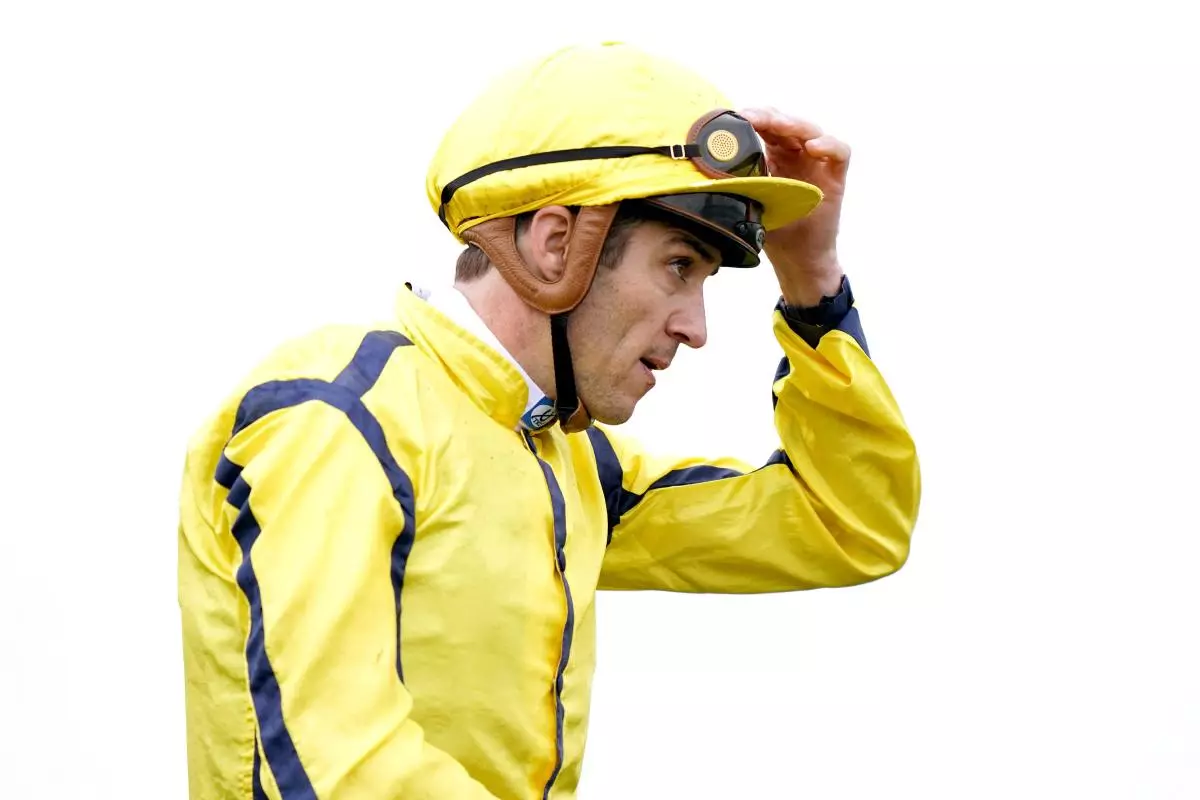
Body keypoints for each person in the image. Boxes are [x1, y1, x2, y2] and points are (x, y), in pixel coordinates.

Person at [176, 41, 921, 800]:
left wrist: (812, 281)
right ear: (558, 242)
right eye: (677, 267)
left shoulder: (571, 467)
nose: (696, 328)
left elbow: (846, 523)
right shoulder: (337, 417)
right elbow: (335, 769)